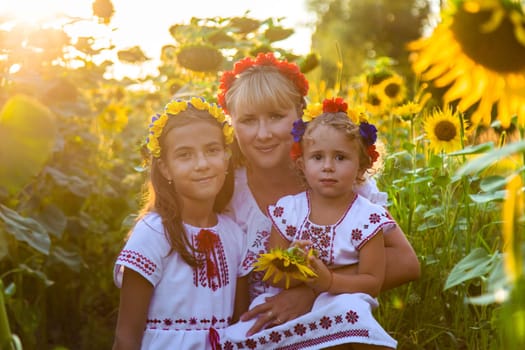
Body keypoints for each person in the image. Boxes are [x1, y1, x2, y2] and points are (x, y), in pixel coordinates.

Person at [217, 52, 420, 336]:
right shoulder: (226, 190)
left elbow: (406, 262)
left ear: (299, 114)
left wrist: (313, 292)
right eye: (248, 120)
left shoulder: (338, 181)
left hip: (332, 321)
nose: (263, 134)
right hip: (260, 329)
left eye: (276, 116)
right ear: (232, 123)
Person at [112, 97, 249, 350]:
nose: (202, 164)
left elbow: (240, 323)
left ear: (227, 157)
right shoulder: (153, 233)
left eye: (212, 150)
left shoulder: (234, 235)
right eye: (185, 155)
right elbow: (126, 337)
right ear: (165, 169)